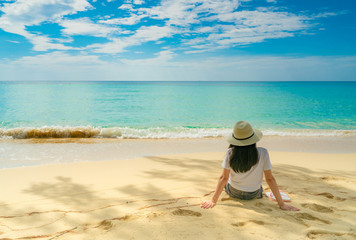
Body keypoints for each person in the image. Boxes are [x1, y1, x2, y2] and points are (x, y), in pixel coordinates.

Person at [201, 121, 299, 211]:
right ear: (253, 138)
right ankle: (272, 194)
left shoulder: (230, 153)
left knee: (228, 182)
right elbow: (270, 179)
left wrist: (213, 200)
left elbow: (224, 178)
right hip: (254, 194)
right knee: (260, 187)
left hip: (233, 191)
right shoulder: (263, 152)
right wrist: (281, 204)